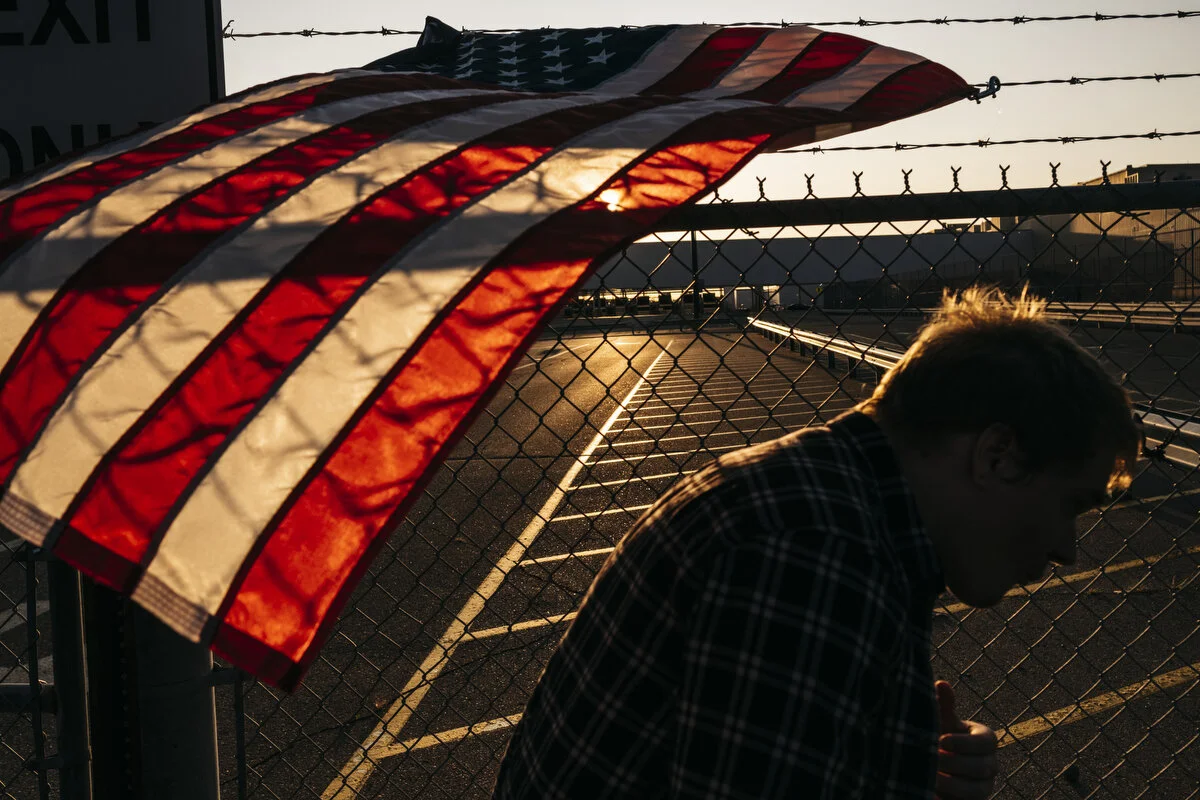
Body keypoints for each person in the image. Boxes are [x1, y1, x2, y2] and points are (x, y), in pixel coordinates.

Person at [492, 287, 1140, 799]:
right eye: (1070, 505)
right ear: (997, 455)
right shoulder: (815, 550)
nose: (1066, 549)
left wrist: (896, 764)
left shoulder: (829, 500)